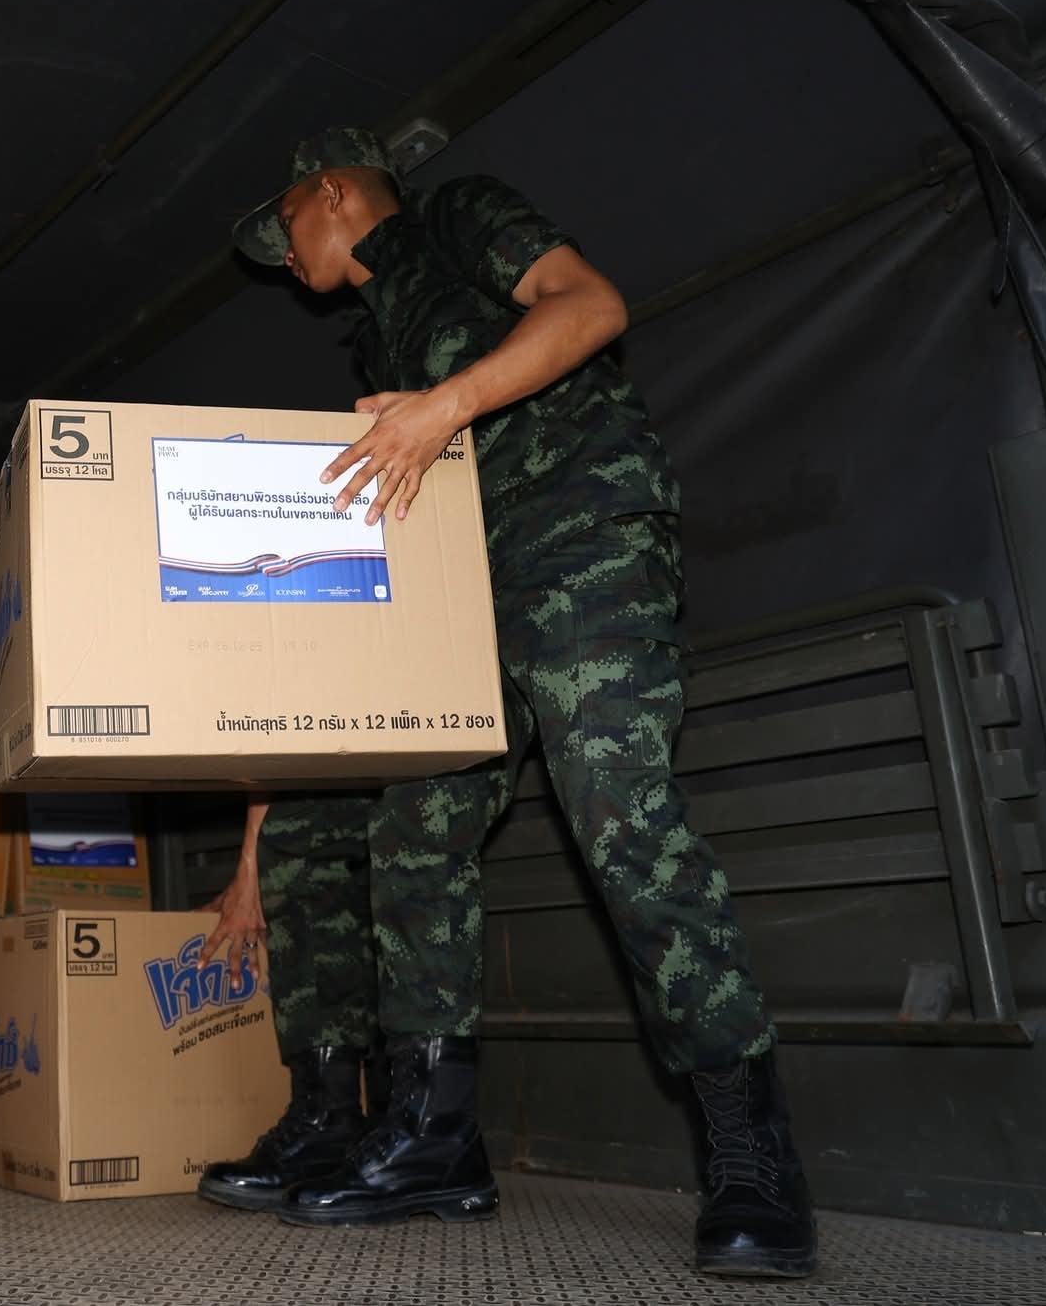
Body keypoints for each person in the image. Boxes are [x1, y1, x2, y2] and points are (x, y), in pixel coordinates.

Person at [193, 129, 818, 1279]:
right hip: (464, 596)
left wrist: (441, 408)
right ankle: (433, 1138)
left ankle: (750, 1152)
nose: (281, 255)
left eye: (283, 225)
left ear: (330, 192)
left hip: (581, 541)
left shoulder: (453, 219)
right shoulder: (375, 333)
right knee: (410, 830)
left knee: (617, 817)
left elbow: (589, 307)